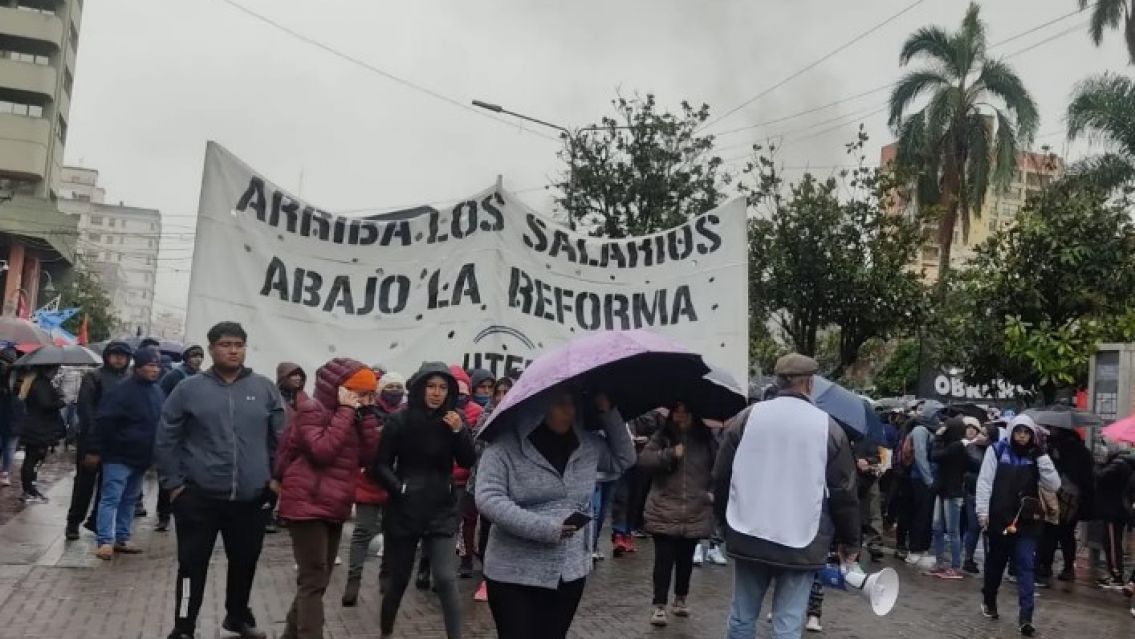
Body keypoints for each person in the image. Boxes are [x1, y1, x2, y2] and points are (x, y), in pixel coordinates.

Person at [712, 353, 859, 639]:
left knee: (742, 617)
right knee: (787, 624)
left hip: (749, 530)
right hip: (802, 538)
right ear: (809, 383)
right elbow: (843, 491)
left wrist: (721, 519)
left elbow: (721, 475)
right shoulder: (828, 428)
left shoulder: (747, 418)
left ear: (779, 381)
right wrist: (850, 540)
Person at [154, 322, 285, 639]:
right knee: (191, 566)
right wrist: (174, 485)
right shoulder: (188, 389)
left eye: (239, 344)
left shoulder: (265, 389)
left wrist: (276, 479)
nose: (233, 350)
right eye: (226, 344)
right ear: (212, 349)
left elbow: (281, 440)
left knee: (245, 562)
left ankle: (237, 617)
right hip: (198, 498)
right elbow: (167, 437)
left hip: (251, 498)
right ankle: (184, 625)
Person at [475, 385, 635, 639]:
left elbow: (625, 459)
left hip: (568, 571)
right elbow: (489, 499)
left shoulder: (587, 443)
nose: (568, 410)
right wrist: (545, 528)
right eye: (560, 403)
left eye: (572, 403)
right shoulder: (504, 447)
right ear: (539, 406)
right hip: (514, 573)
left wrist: (608, 411)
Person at [276, 358, 379, 639]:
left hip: (334, 504)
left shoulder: (356, 415)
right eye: (361, 393)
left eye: (370, 394)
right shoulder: (313, 409)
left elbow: (369, 456)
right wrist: (345, 411)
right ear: (342, 390)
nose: (364, 399)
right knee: (313, 578)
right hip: (307, 502)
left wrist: (367, 414)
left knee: (318, 579)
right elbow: (322, 450)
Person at [372, 362, 476, 639]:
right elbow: (380, 465)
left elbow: (468, 460)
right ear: (420, 388)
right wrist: (400, 489)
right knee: (398, 580)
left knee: (445, 577)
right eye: (431, 386)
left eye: (442, 388)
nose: (436, 393)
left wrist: (459, 432)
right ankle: (386, 633)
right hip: (405, 510)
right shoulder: (399, 420)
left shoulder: (454, 419)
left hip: (441, 508)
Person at [976, 415, 1060, 637]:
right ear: (1012, 432)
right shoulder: (996, 451)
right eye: (1018, 432)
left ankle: (1026, 617)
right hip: (1000, 518)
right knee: (996, 562)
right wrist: (982, 512)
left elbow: (1053, 484)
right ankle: (989, 599)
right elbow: (985, 481)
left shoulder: (1036, 456)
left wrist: (1042, 457)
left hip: (1027, 520)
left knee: (1025, 565)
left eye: (1026, 433)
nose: (1022, 436)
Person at [637, 401, 717, 627]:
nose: (680, 416)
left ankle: (681, 598)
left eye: (685, 412)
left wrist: (710, 494)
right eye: (676, 412)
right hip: (665, 507)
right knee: (663, 560)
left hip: (695, 508)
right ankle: (659, 605)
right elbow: (644, 459)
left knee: (685, 559)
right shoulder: (663, 436)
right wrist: (670, 453)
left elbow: (718, 467)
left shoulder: (706, 439)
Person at [87, 346, 164, 559]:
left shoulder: (157, 392)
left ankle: (122, 536)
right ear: (138, 367)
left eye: (157, 366)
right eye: (150, 365)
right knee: (111, 497)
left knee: (130, 499)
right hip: (118, 455)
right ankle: (105, 540)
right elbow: (103, 421)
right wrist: (94, 449)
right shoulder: (121, 391)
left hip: (141, 456)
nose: (155, 370)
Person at [342, 369, 404, 607]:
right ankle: (353, 581)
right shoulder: (366, 413)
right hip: (369, 481)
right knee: (362, 532)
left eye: (398, 387)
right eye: (390, 387)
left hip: (395, 482)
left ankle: (386, 576)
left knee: (392, 532)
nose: (394, 392)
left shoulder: (406, 414)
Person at [65, 341, 132, 538]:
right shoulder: (94, 377)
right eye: (115, 354)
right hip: (92, 439)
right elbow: (86, 412)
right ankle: (73, 522)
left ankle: (96, 520)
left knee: (109, 485)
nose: (118, 359)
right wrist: (93, 444)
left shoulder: (130, 379)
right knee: (84, 484)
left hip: (117, 442)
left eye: (123, 355)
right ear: (107, 356)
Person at [469, 375, 513, 603]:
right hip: (488, 481)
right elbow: (475, 446)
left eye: (507, 392)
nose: (502, 396)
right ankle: (487, 578)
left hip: (513, 485)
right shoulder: (486, 417)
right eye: (499, 392)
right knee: (487, 529)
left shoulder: (521, 418)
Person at [1035, 426, 1094, 586]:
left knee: (1051, 532)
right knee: (1066, 534)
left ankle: (1048, 566)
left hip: (1060, 495)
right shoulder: (1082, 451)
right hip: (1073, 498)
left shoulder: (1058, 449)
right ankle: (1066, 568)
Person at [155, 344, 205, 532]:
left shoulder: (204, 377)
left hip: (194, 432)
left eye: (200, 356)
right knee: (169, 473)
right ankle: (163, 514)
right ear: (186, 358)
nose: (197, 359)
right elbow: (161, 397)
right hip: (176, 430)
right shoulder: (174, 376)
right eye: (193, 356)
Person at [16, 365, 65, 503]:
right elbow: (46, 404)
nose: (56, 372)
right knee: (34, 459)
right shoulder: (41, 384)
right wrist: (61, 402)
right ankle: (29, 490)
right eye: (55, 369)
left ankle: (30, 489)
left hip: (36, 427)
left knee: (32, 459)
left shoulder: (37, 382)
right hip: (38, 428)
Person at [927, 417, 968, 579]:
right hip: (942, 491)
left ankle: (955, 566)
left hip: (952, 493)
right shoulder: (952, 445)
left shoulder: (957, 446)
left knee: (952, 531)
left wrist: (938, 437)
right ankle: (940, 563)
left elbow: (935, 456)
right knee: (937, 527)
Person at [1092, 439, 1134, 589]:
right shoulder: (1120, 463)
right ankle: (1115, 573)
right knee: (1111, 542)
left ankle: (1117, 575)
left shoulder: (1118, 464)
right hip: (1115, 509)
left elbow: (1100, 476)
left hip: (1114, 511)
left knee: (1112, 543)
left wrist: (1098, 464)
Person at [905, 414, 937, 568]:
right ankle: (915, 549)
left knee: (925, 515)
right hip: (921, 480)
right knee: (921, 514)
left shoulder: (925, 430)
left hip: (924, 479)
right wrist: (928, 479)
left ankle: (921, 548)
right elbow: (920, 455)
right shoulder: (921, 430)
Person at [962, 422, 995, 574]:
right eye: (980, 432)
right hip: (973, 492)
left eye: (984, 434)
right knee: (973, 528)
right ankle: (968, 559)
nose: (980, 436)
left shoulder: (995, 451)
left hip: (989, 494)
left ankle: (989, 561)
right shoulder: (972, 448)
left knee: (988, 530)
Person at [0, 347, 20, 487]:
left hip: (7, 411)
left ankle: (5, 472)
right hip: (13, 413)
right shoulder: (20, 372)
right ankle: (5, 473)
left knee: (5, 444)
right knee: (10, 445)